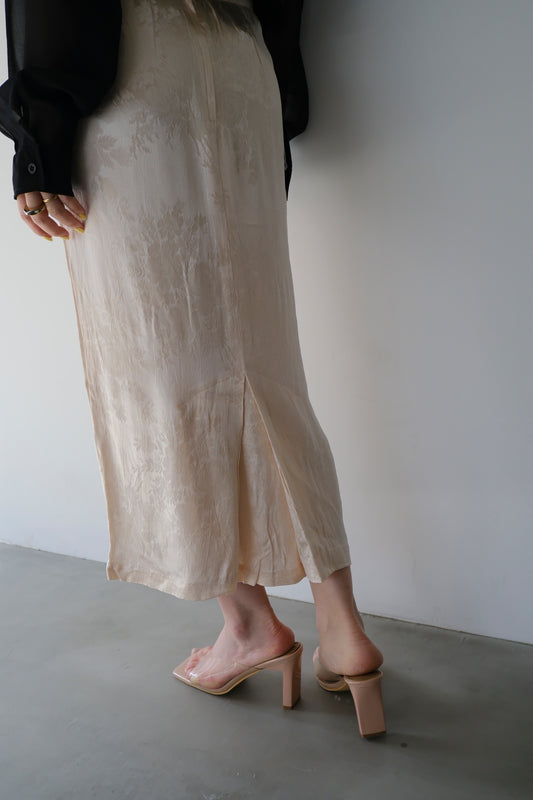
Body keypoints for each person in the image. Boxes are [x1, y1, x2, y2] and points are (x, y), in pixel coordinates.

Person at [1, 0, 386, 738]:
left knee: (160, 363)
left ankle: (248, 627)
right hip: (243, 71)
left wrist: (37, 137)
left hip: (134, 75)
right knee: (265, 363)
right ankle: (344, 632)